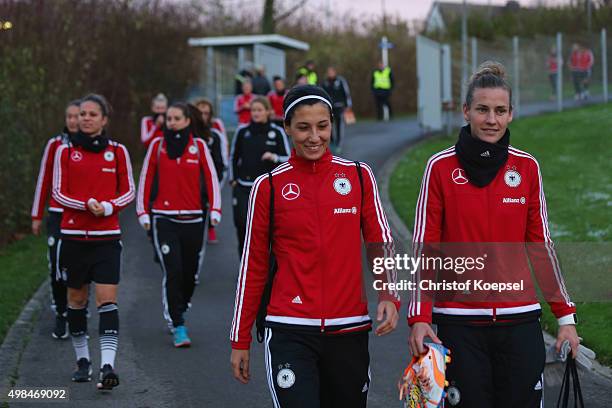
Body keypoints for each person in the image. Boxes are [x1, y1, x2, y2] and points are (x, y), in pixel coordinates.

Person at [408, 62, 580, 408]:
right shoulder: (439, 168)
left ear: (511, 114)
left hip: (520, 323)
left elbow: (541, 247)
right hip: (460, 325)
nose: (491, 119)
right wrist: (420, 317)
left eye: (500, 110)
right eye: (483, 109)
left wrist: (565, 318)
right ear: (466, 111)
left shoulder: (527, 168)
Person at [230, 85, 400, 407]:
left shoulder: (359, 177)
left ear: (332, 124)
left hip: (349, 329)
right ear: (287, 128)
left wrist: (389, 293)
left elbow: (380, 242)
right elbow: (253, 265)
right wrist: (239, 339)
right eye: (303, 127)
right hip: (289, 328)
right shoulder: (267, 187)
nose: (314, 137)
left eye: (322, 126)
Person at [53, 94, 135, 390]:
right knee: (76, 301)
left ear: (104, 120)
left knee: (107, 300)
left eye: (92, 114)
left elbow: (128, 192)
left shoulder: (118, 152)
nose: (85, 118)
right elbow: (58, 193)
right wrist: (87, 204)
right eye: (82, 114)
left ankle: (107, 366)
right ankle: (83, 361)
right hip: (73, 239)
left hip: (107, 240)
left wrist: (109, 207)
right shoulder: (64, 152)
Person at [136, 102, 221, 347]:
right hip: (164, 219)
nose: (170, 122)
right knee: (173, 271)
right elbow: (146, 178)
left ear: (186, 121)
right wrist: (143, 212)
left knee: (190, 274)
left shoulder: (199, 146)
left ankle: (180, 306)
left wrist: (215, 209)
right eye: (168, 118)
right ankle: (178, 324)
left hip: (194, 219)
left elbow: (211, 179)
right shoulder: (157, 146)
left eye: (175, 118)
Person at [31, 100, 80, 340]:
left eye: (77, 116)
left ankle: (77, 310)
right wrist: (36, 214)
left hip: (82, 217)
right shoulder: (54, 145)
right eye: (69, 116)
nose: (73, 121)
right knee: (56, 266)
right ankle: (61, 313)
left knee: (78, 267)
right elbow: (44, 179)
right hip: (58, 216)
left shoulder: (93, 146)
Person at [228, 96, 290, 256]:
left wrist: (274, 157)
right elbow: (234, 156)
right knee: (242, 226)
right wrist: (233, 179)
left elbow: (288, 159)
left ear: (268, 112)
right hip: (243, 187)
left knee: (267, 229)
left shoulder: (276, 132)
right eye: (253, 110)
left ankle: (267, 268)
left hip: (268, 189)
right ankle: (244, 264)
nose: (256, 113)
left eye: (259, 110)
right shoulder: (242, 131)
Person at [193, 98, 229, 244]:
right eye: (200, 113)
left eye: (206, 113)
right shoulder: (188, 134)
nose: (203, 116)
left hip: (207, 180)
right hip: (189, 181)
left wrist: (216, 182)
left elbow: (221, 163)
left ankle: (210, 228)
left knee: (207, 206)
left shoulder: (215, 135)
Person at [321, 66, 352, 151]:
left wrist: (348, 105)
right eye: (328, 72)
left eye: (331, 72)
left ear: (335, 72)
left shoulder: (341, 81)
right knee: (328, 125)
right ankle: (332, 142)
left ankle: (339, 143)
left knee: (339, 125)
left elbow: (346, 93)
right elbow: (322, 95)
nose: (330, 73)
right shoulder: (325, 82)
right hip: (328, 107)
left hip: (339, 107)